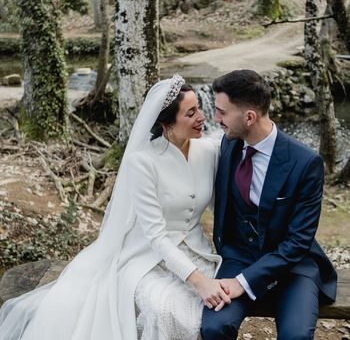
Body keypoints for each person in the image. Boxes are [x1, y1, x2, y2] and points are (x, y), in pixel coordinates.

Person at [0, 75, 231, 340]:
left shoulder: (210, 151)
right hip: (146, 257)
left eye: (199, 107)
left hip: (198, 253)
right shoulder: (142, 162)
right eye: (191, 113)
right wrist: (199, 282)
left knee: (206, 311)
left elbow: (219, 209)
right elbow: (156, 236)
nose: (202, 117)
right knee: (165, 311)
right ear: (166, 123)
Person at [201, 69, 337, 340]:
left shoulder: (305, 163)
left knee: (296, 336)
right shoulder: (228, 145)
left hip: (292, 266)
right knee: (214, 328)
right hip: (238, 257)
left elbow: (298, 242)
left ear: (249, 117)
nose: (215, 119)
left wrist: (243, 282)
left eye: (222, 113)